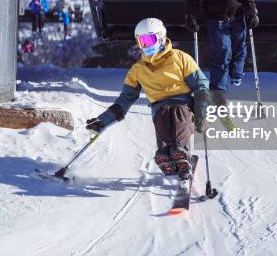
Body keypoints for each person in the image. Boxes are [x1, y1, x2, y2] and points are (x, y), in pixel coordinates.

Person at [85, 18, 210, 178]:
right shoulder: (138, 69)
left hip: (183, 104)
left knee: (178, 118)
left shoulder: (180, 58)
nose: (146, 46)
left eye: (149, 40)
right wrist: (103, 120)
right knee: (163, 121)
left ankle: (181, 152)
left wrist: (201, 112)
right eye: (141, 42)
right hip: (159, 108)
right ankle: (165, 155)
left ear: (161, 38)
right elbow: (125, 99)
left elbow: (201, 86)